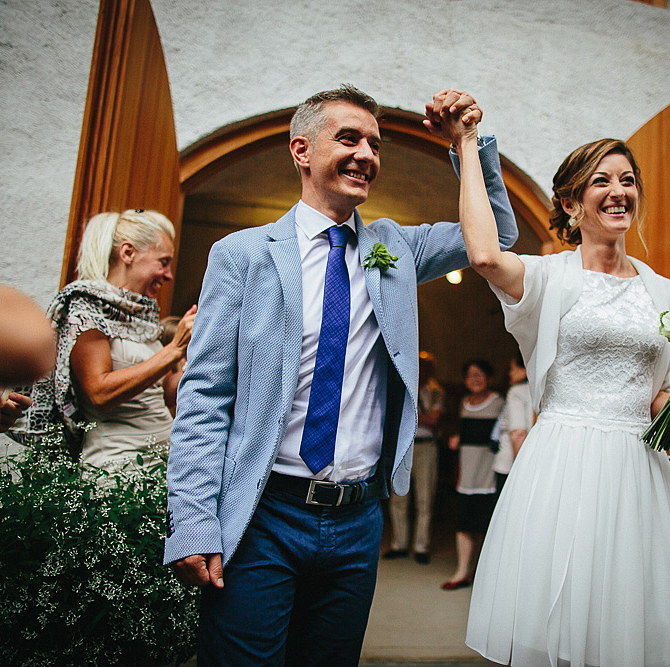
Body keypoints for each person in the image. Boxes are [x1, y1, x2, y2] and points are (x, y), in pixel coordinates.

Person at [164, 85, 518, 666]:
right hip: (262, 516)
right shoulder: (242, 255)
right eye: (348, 138)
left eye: (375, 144)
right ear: (302, 150)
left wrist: (468, 144)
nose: (367, 154)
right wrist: (195, 522)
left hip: (357, 523)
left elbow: (496, 236)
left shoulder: (395, 248)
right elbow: (204, 397)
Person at [436, 97, 670, 667]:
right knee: (558, 619)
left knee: (629, 622)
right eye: (601, 181)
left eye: (628, 180)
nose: (619, 191)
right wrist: (466, 145)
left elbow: (660, 394)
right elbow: (485, 254)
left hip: (639, 471)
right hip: (562, 464)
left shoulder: (667, 294)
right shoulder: (548, 277)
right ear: (571, 202)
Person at [23, 209, 195, 468]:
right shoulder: (86, 306)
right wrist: (173, 349)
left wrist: (193, 351)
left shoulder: (141, 314)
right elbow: (99, 394)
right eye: (163, 261)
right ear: (128, 253)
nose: (169, 274)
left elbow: (163, 394)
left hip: (161, 462)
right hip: (117, 468)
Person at [442, 359, 503, 590]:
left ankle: (486, 574)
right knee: (464, 524)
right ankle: (462, 572)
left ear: (490, 378)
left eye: (479, 374)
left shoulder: (500, 403)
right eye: (469, 375)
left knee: (486, 527)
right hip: (466, 476)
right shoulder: (464, 403)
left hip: (488, 478)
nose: (474, 379)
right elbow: (463, 432)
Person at [383, 350, 444, 564]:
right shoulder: (401, 386)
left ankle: (421, 546)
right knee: (398, 499)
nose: (422, 369)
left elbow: (432, 420)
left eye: (426, 366)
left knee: (424, 499)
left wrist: (415, 414)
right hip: (404, 446)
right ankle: (398, 544)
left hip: (426, 447)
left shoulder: (436, 391)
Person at [491, 351, 532, 496]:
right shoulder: (539, 391)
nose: (510, 373)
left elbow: (518, 433)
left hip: (511, 463)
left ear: (525, 369)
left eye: (513, 368)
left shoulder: (517, 392)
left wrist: (519, 472)